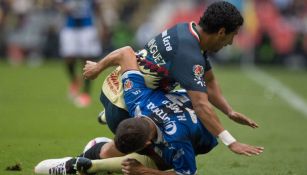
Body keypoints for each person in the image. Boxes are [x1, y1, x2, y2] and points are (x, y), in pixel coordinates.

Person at [35, 43, 263, 175]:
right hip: (172, 101)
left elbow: (184, 174)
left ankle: (91, 161)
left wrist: (143, 172)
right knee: (151, 159)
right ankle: (90, 160)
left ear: (147, 145)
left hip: (192, 119)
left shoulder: (173, 136)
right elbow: (126, 53)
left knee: (158, 163)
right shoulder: (142, 105)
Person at [83, 1, 260, 155]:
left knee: (183, 96)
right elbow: (201, 105)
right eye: (233, 35)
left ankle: (107, 117)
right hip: (124, 109)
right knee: (166, 156)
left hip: (114, 87)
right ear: (221, 32)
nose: (230, 42)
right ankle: (94, 153)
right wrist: (231, 142)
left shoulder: (187, 31)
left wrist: (229, 111)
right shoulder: (188, 54)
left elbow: (209, 80)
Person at [56, 0, 103, 107]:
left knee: (86, 59)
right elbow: (58, 4)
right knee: (69, 57)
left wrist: (102, 24)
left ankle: (86, 93)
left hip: (87, 26)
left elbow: (97, 6)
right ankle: (74, 80)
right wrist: (65, 8)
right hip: (70, 26)